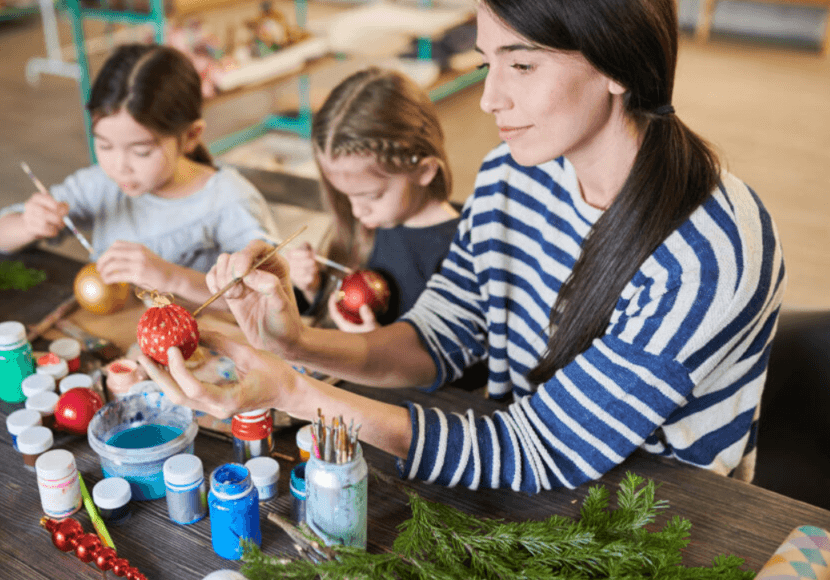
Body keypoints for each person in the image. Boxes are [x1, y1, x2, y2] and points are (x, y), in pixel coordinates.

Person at [140, 0, 785, 493]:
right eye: (488, 61)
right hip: (525, 484)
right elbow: (443, 336)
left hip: (662, 518)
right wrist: (292, 343)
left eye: (522, 64)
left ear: (616, 63)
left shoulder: (708, 252)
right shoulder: (513, 172)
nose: (489, 98)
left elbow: (539, 449)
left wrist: (292, 392)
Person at [0, 44, 278, 306]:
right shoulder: (100, 185)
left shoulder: (227, 200)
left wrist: (171, 277)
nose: (119, 166)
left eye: (140, 151)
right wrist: (29, 224)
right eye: (104, 145)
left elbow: (268, 298)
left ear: (191, 136)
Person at [286, 67, 460, 332]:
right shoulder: (376, 221)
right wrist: (314, 288)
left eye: (372, 196)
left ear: (424, 171)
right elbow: (341, 311)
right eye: (346, 195)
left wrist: (376, 347)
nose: (357, 211)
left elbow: (458, 367)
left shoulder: (458, 254)